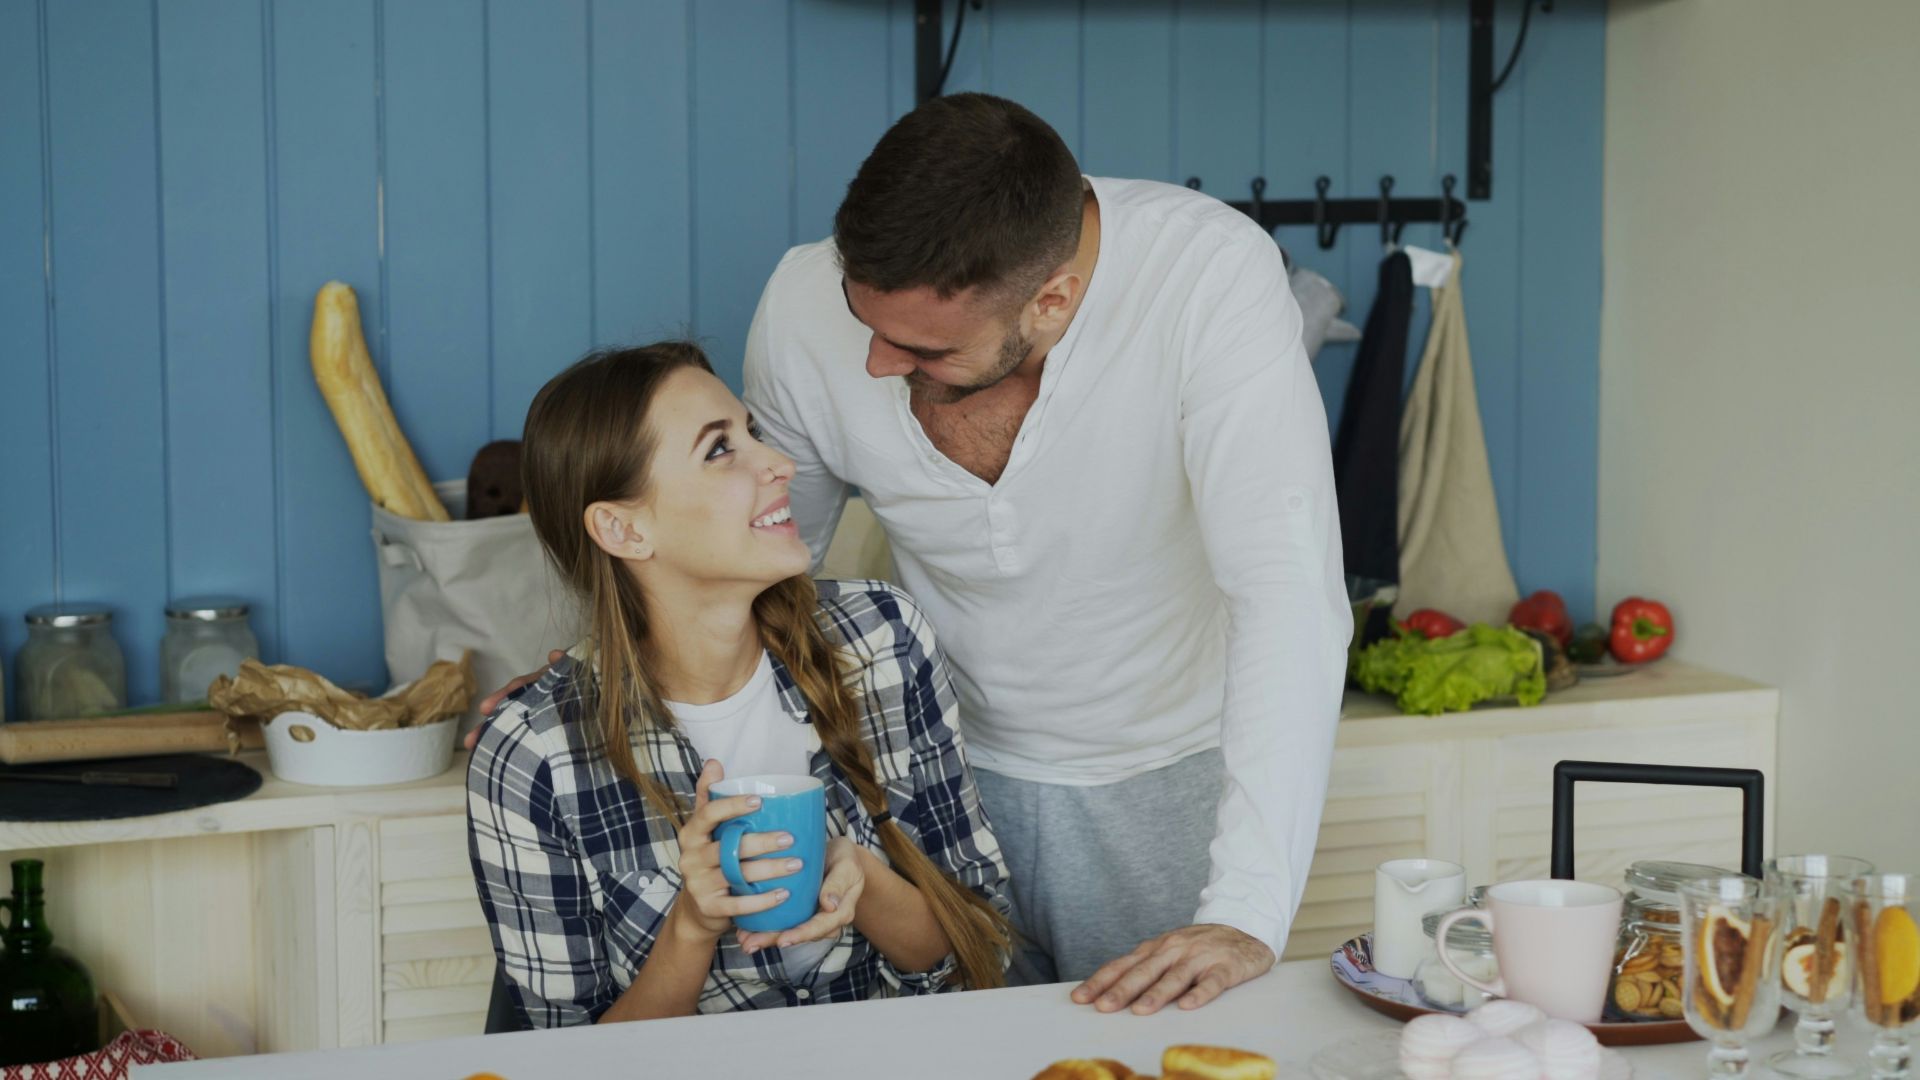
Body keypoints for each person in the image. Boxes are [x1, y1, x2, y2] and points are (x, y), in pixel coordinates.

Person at [740, 93, 1350, 1014]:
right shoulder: (797, 305)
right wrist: (602, 671)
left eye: (918, 346)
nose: (870, 363)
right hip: (933, 779)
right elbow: (766, 566)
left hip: (1168, 779)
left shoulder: (1208, 274)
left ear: (1053, 300)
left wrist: (1249, 910)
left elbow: (1287, 589)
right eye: (862, 320)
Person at [467, 342, 1011, 1026]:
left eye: (751, 431)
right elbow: (567, 1061)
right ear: (622, 528)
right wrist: (693, 925)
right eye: (720, 450)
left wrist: (863, 880)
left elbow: (984, 952)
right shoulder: (532, 755)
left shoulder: (882, 638)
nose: (779, 464)